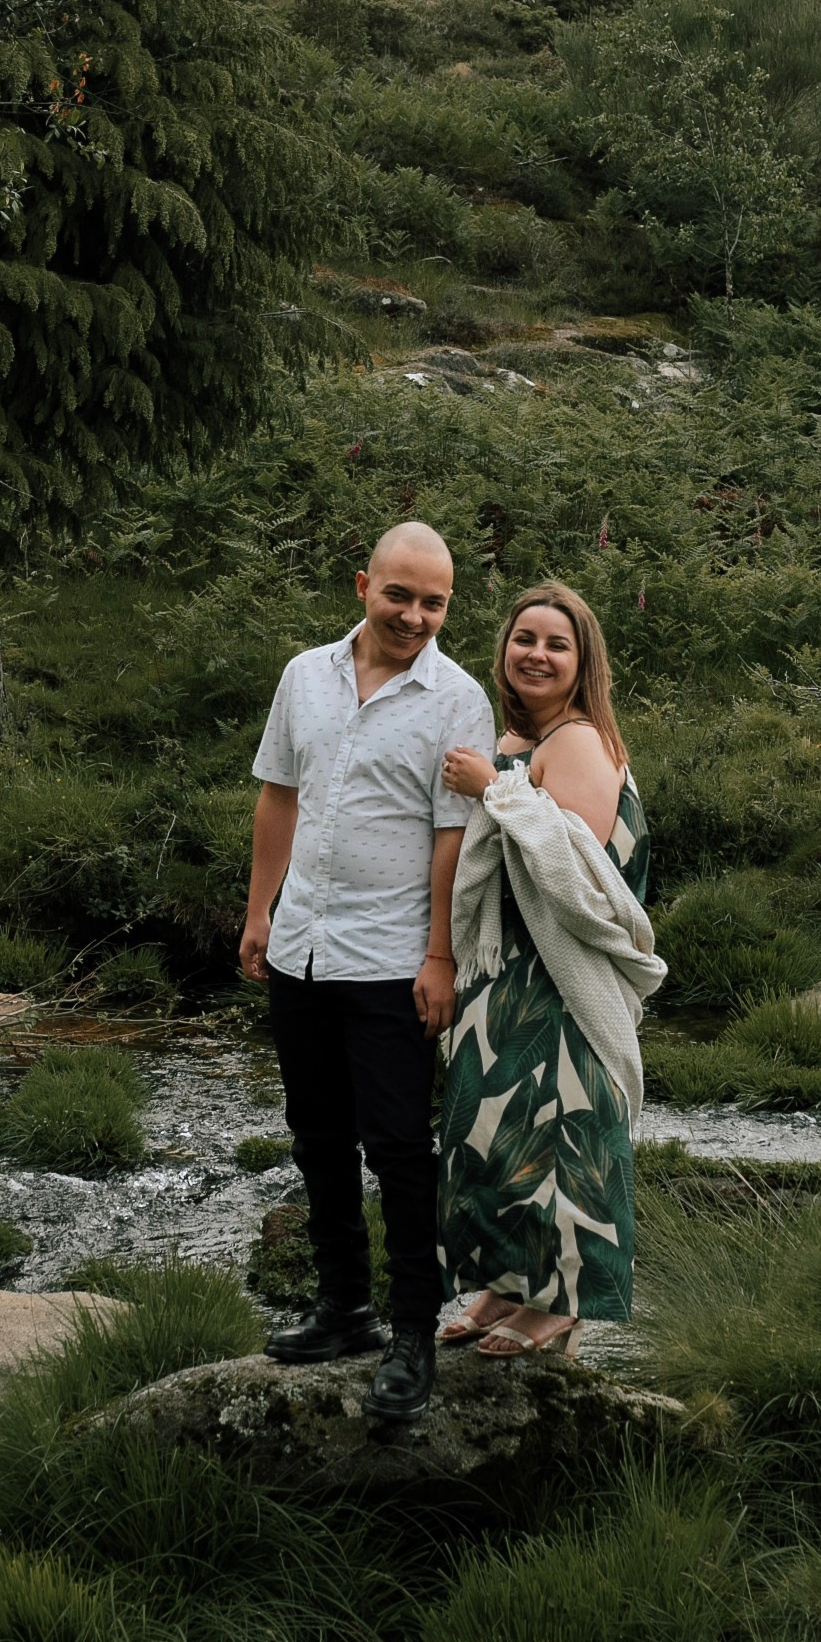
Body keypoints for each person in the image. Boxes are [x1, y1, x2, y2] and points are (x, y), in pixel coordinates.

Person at [240, 521, 496, 1423]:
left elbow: (451, 840)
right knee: (315, 1135)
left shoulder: (459, 701)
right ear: (362, 586)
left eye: (434, 603)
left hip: (391, 960)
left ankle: (412, 1334)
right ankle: (341, 1307)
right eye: (401, 595)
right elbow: (280, 794)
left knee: (397, 1148)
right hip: (303, 940)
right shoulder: (304, 676)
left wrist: (439, 956)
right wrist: (258, 911)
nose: (416, 616)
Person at [436, 581, 663, 1356]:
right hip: (506, 969)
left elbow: (580, 867)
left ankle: (563, 1300)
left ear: (581, 662)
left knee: (563, 1131)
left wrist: (493, 789)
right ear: (504, 650)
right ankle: (506, 1285)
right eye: (524, 639)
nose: (536, 654)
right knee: (494, 1127)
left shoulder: (578, 740)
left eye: (555, 644)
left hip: (562, 971)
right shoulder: (509, 742)